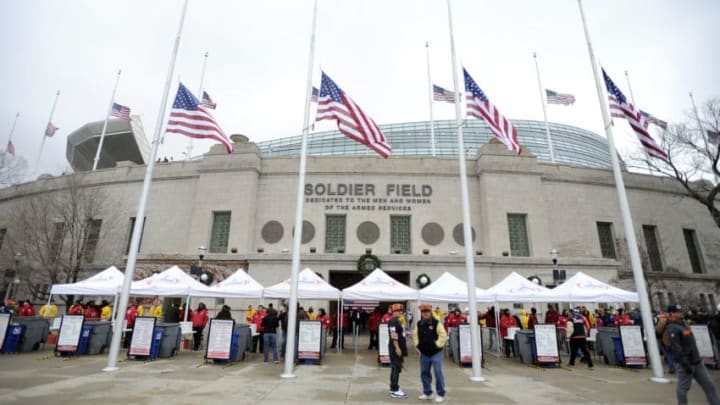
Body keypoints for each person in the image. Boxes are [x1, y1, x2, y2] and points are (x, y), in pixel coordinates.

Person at [666, 304, 720, 405]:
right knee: (683, 389)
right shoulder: (672, 327)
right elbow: (676, 348)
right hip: (685, 364)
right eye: (678, 312)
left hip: (697, 361)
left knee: (709, 385)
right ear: (672, 314)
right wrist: (685, 363)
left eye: (681, 310)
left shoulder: (684, 323)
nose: (681, 313)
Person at [413, 304, 447, 403]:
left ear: (430, 312)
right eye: (423, 312)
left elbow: (443, 335)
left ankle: (440, 394)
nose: (425, 314)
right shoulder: (419, 324)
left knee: (438, 372)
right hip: (424, 353)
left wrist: (437, 345)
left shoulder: (437, 323)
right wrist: (417, 346)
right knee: (424, 373)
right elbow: (415, 335)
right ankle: (427, 392)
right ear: (421, 313)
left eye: (427, 312)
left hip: (435, 353)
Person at [387, 303, 408, 399]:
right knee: (396, 368)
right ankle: (395, 389)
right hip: (395, 348)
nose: (401, 312)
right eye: (399, 311)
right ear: (394, 312)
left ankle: (393, 387)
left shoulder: (397, 321)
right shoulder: (393, 321)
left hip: (398, 347)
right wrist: (397, 348)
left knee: (396, 368)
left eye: (401, 311)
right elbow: (393, 335)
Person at [655, 310, 677, 374]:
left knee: (668, 354)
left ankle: (672, 368)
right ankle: (678, 368)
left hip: (666, 340)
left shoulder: (662, 321)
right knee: (675, 354)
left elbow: (658, 330)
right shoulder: (677, 321)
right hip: (675, 340)